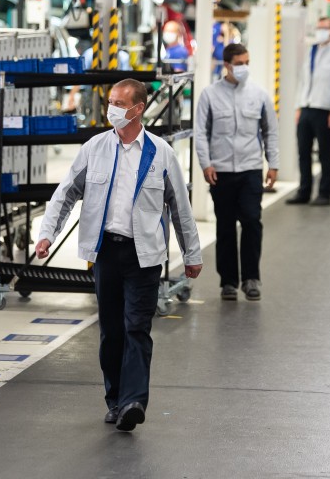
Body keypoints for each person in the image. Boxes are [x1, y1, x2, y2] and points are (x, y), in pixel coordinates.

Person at [35, 79, 203, 432]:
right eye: (110, 101)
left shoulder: (160, 153)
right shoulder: (95, 148)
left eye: (118, 102)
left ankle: (134, 401)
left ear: (138, 108)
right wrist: (47, 234)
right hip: (106, 253)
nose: (111, 108)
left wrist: (191, 253)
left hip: (145, 256)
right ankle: (115, 399)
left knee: (137, 328)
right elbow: (64, 194)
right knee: (112, 331)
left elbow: (181, 207)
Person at [194, 43, 279, 302]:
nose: (244, 67)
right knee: (226, 226)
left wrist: (272, 164)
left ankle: (251, 278)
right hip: (221, 172)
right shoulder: (209, 95)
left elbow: (270, 131)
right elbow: (200, 133)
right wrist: (205, 163)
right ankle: (228, 282)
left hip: (251, 169)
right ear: (227, 65)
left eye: (247, 62)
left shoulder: (260, 95)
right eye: (240, 63)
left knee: (252, 221)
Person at [287, 17, 330, 206]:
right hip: (306, 108)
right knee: (303, 152)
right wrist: (299, 106)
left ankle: (324, 193)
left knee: (324, 153)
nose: (321, 31)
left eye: (324, 28)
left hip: (324, 110)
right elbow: (303, 81)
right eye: (318, 28)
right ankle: (304, 191)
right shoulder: (312, 52)